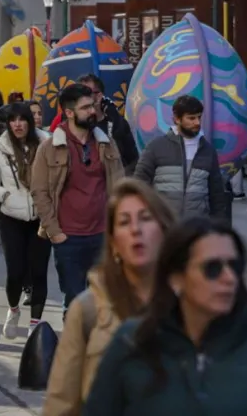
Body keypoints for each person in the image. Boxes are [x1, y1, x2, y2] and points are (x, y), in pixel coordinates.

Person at [83, 217, 247, 415]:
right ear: (176, 279)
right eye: (212, 268)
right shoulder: (132, 344)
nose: (228, 278)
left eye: (234, 266)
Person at [43, 178, 175, 415]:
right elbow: (61, 403)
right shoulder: (87, 310)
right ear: (113, 243)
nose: (135, 229)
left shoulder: (193, 304)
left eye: (145, 218)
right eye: (124, 222)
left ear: (164, 231)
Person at [32, 83, 124, 310]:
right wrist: (55, 232)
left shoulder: (107, 144)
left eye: (92, 105)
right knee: (75, 303)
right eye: (85, 108)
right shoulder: (49, 148)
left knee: (104, 303)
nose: (92, 111)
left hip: (102, 235)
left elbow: (120, 186)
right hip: (68, 238)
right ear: (69, 112)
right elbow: (40, 192)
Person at [0, 102, 51, 337]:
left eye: (23, 119)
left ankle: (34, 323)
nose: (18, 124)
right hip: (11, 216)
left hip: (41, 217)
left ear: (30, 122)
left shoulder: (46, 145)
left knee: (39, 272)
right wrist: (4, 195)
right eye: (13, 120)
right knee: (15, 272)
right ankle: (13, 309)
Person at [133, 95, 228, 221]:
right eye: (191, 118)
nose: (197, 122)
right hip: (163, 225)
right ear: (177, 119)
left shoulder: (208, 151)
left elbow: (217, 195)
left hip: (196, 226)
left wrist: (219, 226)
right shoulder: (156, 147)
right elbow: (138, 185)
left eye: (199, 117)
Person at [78, 74, 139, 174]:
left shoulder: (118, 123)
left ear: (98, 96)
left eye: (86, 93)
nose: (80, 98)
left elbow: (133, 160)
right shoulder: (74, 126)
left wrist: (120, 177)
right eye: (78, 94)